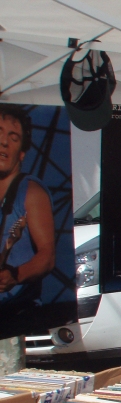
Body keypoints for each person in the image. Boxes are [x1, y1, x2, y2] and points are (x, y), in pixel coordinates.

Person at [0, 104, 55, 318]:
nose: (4, 142)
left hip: (18, 315)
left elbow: (48, 257)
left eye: (13, 138)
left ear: (22, 153)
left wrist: (16, 275)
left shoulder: (31, 192)